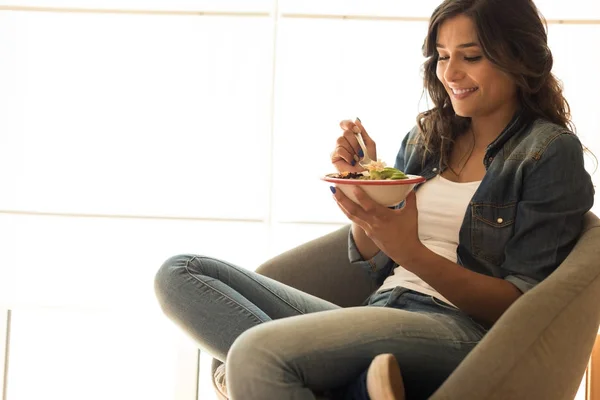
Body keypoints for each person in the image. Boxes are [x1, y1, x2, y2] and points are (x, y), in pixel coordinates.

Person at [154, 0, 594, 398]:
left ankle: (328, 383)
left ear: (519, 57)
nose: (450, 73)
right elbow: (372, 258)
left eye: (471, 57)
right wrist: (365, 192)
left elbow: (519, 308)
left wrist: (411, 251)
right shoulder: (429, 136)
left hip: (459, 332)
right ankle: (356, 387)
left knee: (252, 354)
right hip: (382, 307)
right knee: (180, 273)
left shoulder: (547, 153)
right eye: (442, 57)